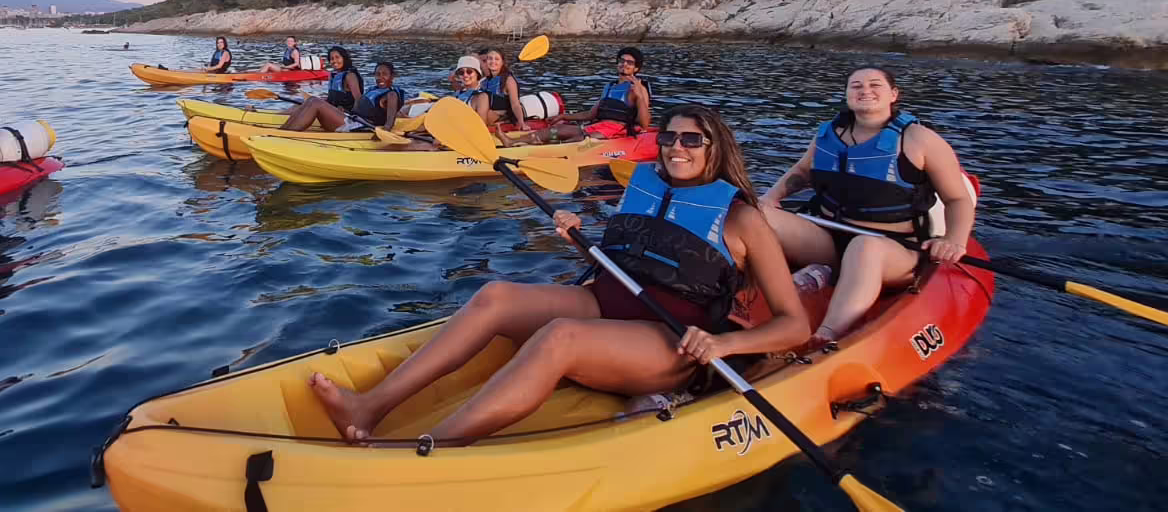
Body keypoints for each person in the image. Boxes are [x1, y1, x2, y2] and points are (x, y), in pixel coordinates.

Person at [307, 104, 809, 444]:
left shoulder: (742, 220)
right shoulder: (645, 188)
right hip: (608, 305)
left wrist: (722, 346)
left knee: (560, 336)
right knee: (497, 295)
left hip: (670, 342)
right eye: (669, 137)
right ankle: (369, 407)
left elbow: (793, 324)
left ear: (714, 148)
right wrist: (581, 240)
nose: (677, 147)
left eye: (691, 140)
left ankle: (438, 446)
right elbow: (627, 261)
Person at [759, 66, 976, 347]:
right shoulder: (829, 133)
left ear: (893, 95)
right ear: (847, 94)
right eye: (856, 86)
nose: (865, 91)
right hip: (829, 239)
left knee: (865, 247)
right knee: (755, 214)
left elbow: (957, 200)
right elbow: (802, 172)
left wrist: (954, 240)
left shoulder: (919, 139)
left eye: (875, 85)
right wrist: (771, 197)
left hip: (893, 250)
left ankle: (826, 335)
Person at [505, 47, 651, 145]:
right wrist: (564, 117)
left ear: (636, 68)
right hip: (597, 127)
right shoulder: (609, 87)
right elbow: (591, 114)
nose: (624, 64)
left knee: (576, 140)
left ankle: (545, 151)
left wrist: (639, 97)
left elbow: (644, 124)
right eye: (621, 61)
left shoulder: (638, 88)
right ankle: (511, 142)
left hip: (617, 130)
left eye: (629, 63)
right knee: (557, 131)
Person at [279, 47, 363, 132]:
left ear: (344, 58)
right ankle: (280, 125)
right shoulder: (334, 75)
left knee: (314, 101)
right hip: (335, 117)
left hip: (348, 121)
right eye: (331, 59)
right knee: (305, 101)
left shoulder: (350, 76)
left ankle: (284, 134)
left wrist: (352, 114)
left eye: (337, 57)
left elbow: (358, 99)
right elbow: (334, 99)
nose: (334, 61)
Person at [477, 48, 526, 127]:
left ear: (502, 62)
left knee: (487, 114)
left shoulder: (508, 80)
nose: (493, 61)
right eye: (490, 59)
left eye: (497, 59)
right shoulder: (484, 81)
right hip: (486, 113)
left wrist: (521, 122)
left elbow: (515, 104)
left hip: (502, 116)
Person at [350, 62, 405, 128]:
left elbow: (389, 124)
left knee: (333, 110)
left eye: (384, 74)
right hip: (353, 120)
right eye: (378, 74)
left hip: (363, 126)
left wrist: (384, 131)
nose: (380, 77)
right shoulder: (372, 89)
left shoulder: (392, 95)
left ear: (392, 76)